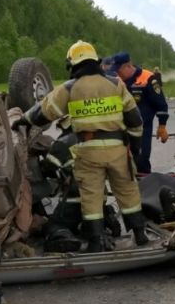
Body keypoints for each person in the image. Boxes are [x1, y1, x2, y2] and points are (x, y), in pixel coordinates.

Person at [12, 40, 148, 252]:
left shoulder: (70, 87)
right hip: (117, 149)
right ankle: (140, 235)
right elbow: (135, 119)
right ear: (96, 61)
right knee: (128, 192)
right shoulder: (115, 84)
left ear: (73, 64)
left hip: (88, 149)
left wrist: (22, 121)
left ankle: (96, 242)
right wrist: (136, 147)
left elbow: (44, 112)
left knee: (91, 196)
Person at [112, 52, 170, 174]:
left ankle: (145, 189)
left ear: (127, 66)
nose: (117, 73)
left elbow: (161, 104)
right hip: (122, 130)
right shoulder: (118, 81)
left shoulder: (148, 78)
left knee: (141, 162)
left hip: (143, 129)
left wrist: (162, 126)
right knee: (123, 166)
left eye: (119, 70)